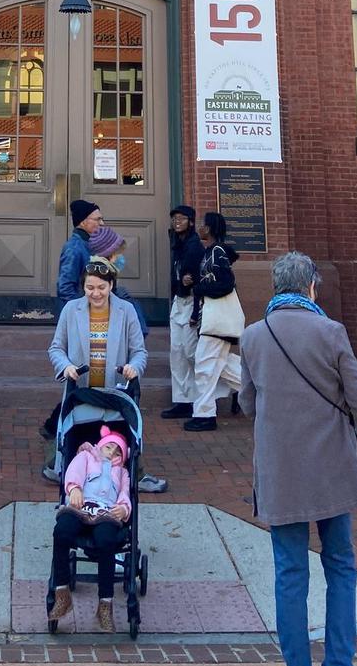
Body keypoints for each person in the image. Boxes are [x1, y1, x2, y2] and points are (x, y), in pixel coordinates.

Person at [240, 252, 357, 666]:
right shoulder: (331, 331)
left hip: (280, 471)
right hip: (332, 469)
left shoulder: (253, 337)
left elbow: (246, 404)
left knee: (289, 574)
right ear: (311, 287)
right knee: (340, 566)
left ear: (276, 288)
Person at [47, 257, 166, 493]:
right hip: (83, 392)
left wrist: (134, 368)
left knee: (119, 442)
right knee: (78, 442)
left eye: (101, 287)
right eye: (90, 288)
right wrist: (66, 366)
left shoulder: (126, 310)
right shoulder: (72, 310)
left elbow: (139, 351)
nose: (96, 293)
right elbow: (56, 348)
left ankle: (128, 479)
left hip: (116, 392)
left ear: (112, 285)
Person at [49, 425, 132, 633]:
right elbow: (73, 473)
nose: (112, 453)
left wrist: (123, 508)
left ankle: (105, 603)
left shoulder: (122, 472)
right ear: (101, 445)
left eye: (118, 451)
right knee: (62, 532)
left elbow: (125, 494)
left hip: (106, 512)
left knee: (106, 542)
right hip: (80, 505)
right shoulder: (86, 456)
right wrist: (74, 488)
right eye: (109, 447)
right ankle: (61, 592)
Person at [186, 211, 241, 431]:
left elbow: (226, 284)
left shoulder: (217, 252)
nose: (199, 227)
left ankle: (205, 415)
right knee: (222, 365)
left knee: (204, 366)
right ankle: (265, 394)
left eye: (203, 224)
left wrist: (198, 287)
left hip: (217, 322)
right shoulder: (211, 252)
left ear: (209, 229)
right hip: (212, 320)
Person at [161, 203, 203, 420]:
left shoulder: (195, 246)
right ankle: (182, 400)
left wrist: (188, 282)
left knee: (190, 352)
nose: (177, 222)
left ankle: (204, 396)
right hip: (179, 301)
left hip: (191, 303)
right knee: (176, 352)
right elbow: (179, 277)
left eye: (181, 218)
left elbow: (196, 278)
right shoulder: (177, 244)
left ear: (191, 222)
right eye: (174, 218)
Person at [56, 198, 103, 305]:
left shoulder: (89, 244)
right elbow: (65, 288)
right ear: (83, 222)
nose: (102, 223)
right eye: (97, 219)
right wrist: (79, 312)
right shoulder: (74, 248)